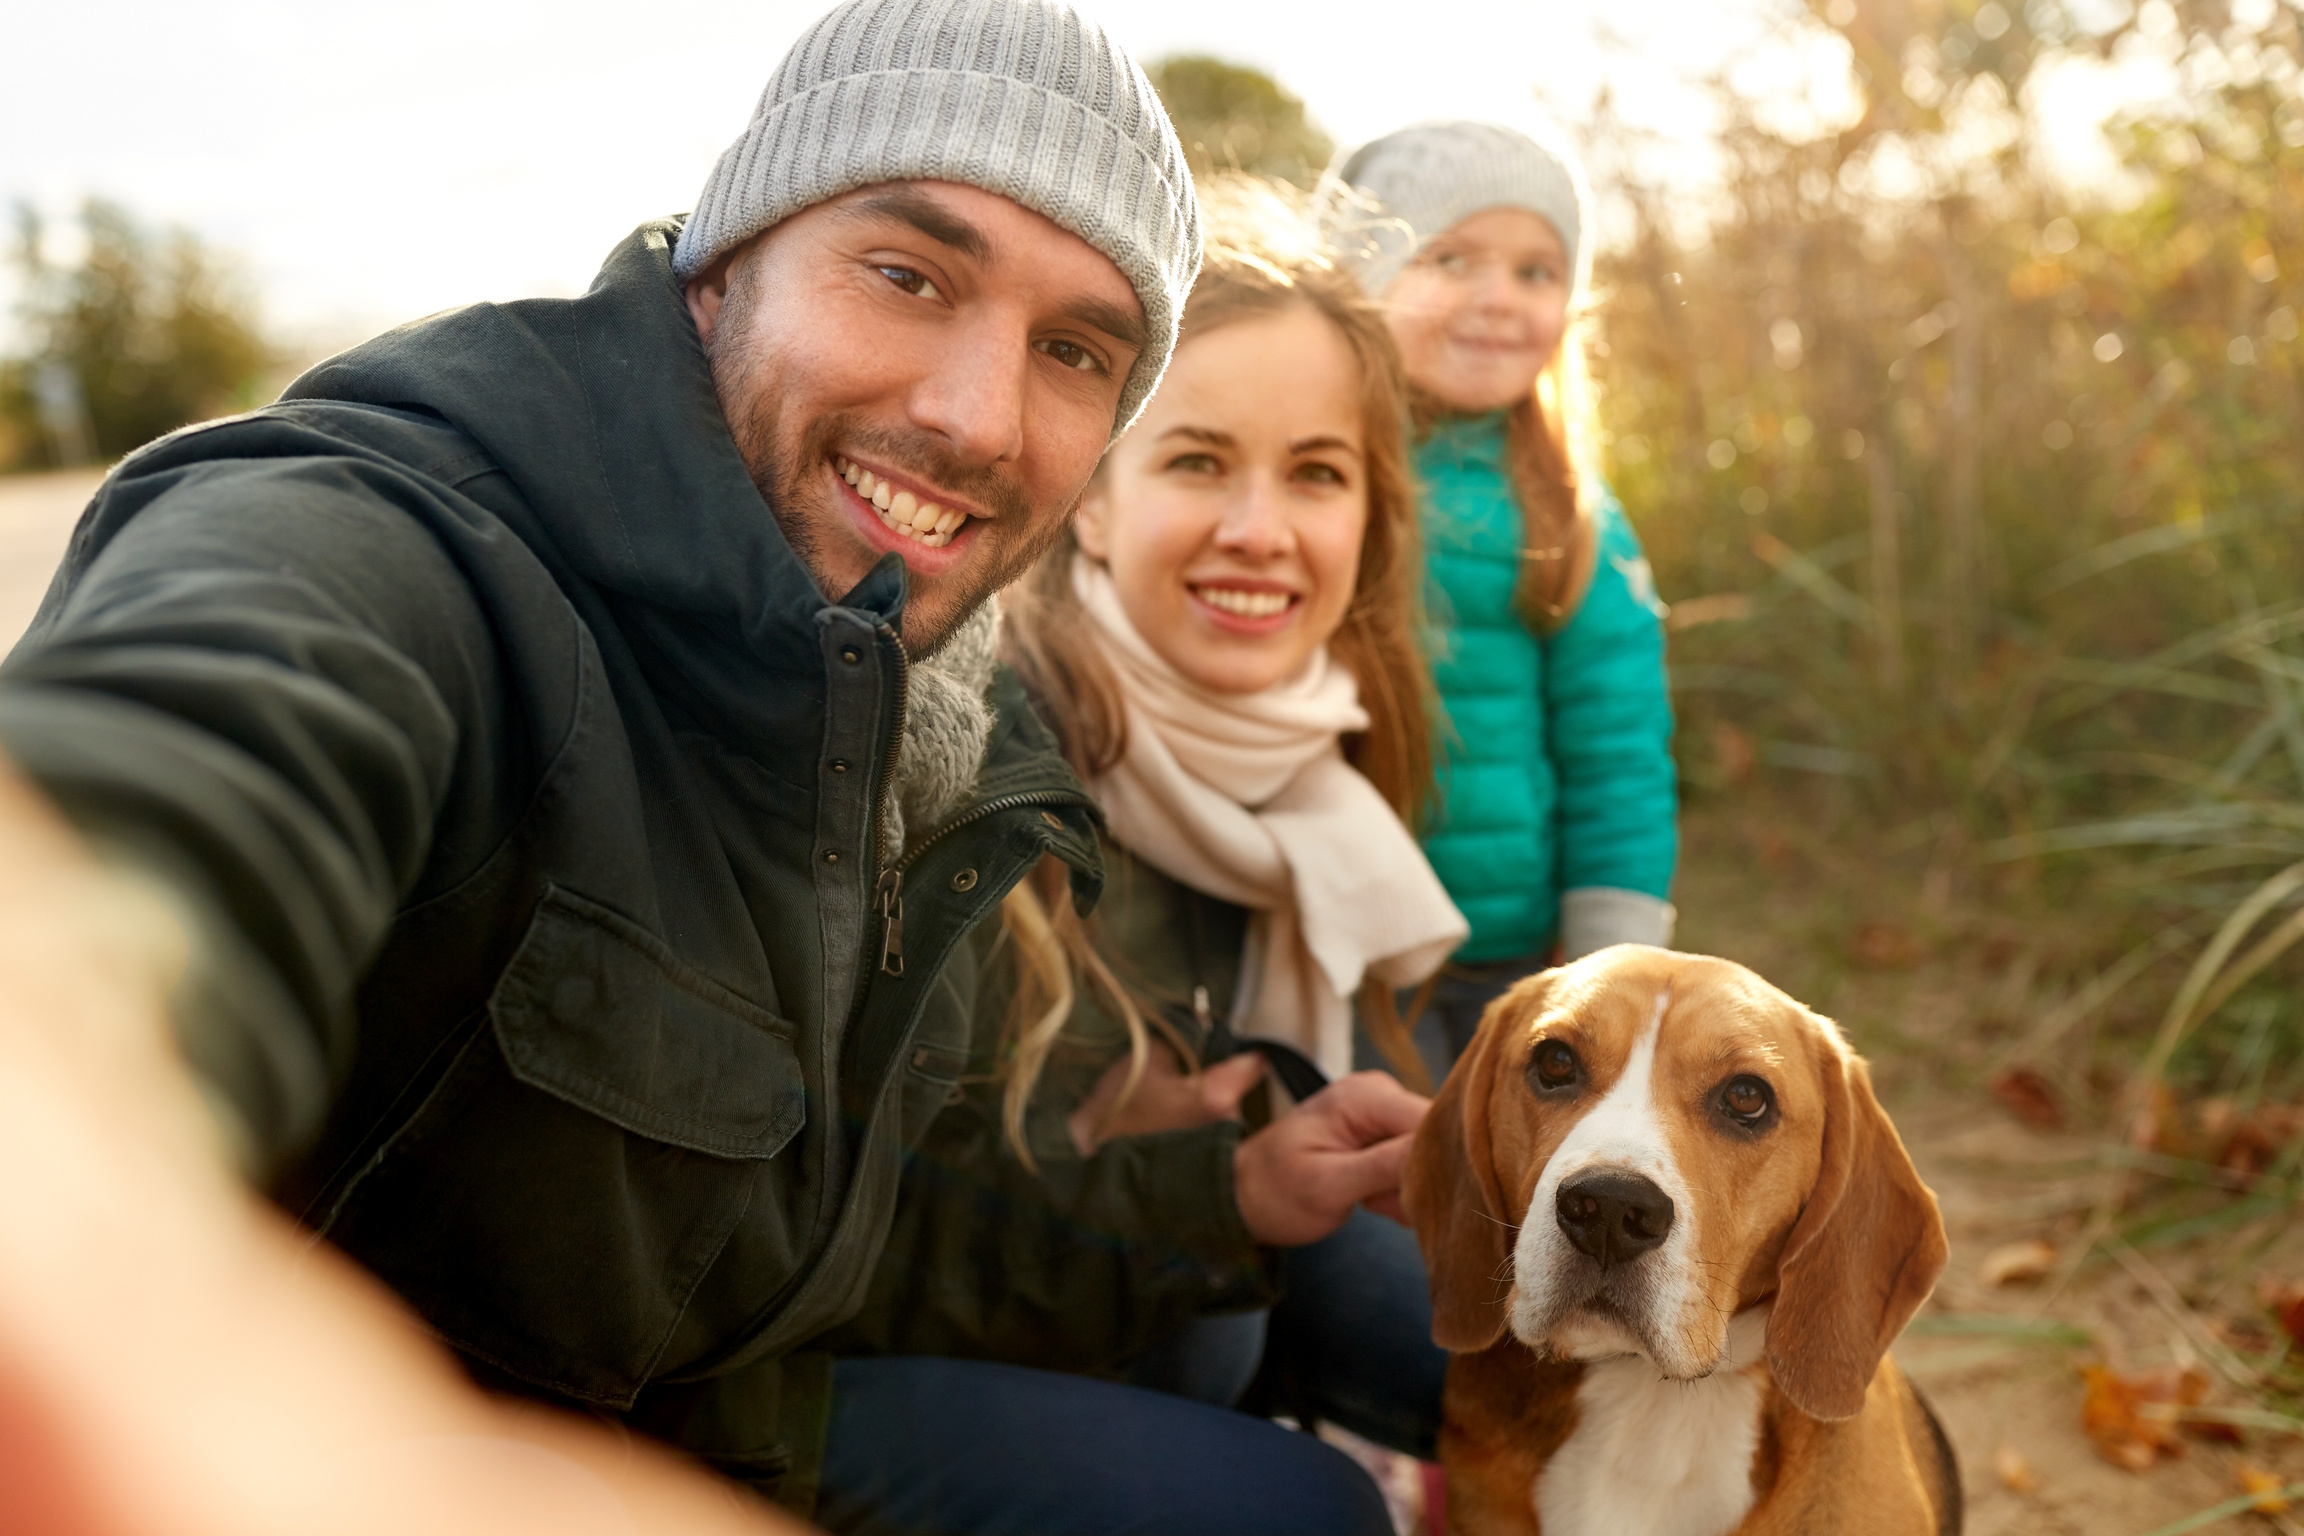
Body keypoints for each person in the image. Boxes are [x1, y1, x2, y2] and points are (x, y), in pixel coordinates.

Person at [0, 3, 1416, 1529]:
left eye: (1075, 350)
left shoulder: (939, 706)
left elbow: (841, 1239)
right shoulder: (405, 541)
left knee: (1252, 1380)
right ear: (722, 264)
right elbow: (163, 795)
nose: (977, 416)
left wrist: (1226, 1200)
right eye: (907, 274)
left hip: (732, 1401)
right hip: (411, 1462)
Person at [823, 183, 1461, 1494]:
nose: (1260, 529)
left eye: (1317, 474)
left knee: (1548, 1350)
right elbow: (844, 1245)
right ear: (1092, 497)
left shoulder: (1311, 764)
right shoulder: (981, 756)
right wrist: (1173, 1180)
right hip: (890, 1339)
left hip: (1163, 1241)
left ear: (1370, 520)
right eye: (1197, 460)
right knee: (1287, 1474)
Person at [1324, 120, 1680, 1079]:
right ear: (1360, 280)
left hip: (1520, 958)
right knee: (1377, 1198)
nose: (1498, 300)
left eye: (1535, 271)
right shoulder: (1316, 473)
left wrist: (1610, 949)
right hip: (1334, 947)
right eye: (1451, 259)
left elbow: (1616, 744)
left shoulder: (1570, 511)